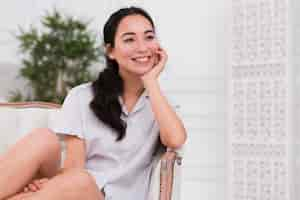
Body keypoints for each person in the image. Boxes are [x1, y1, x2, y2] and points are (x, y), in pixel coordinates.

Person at [0, 6, 187, 200]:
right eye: (130, 39)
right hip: (78, 190)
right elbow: (73, 167)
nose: (142, 47)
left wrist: (150, 81)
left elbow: (176, 140)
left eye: (149, 37)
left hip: (108, 194)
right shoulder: (82, 96)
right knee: (43, 139)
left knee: (80, 181)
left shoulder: (159, 104)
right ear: (110, 51)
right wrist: (51, 186)